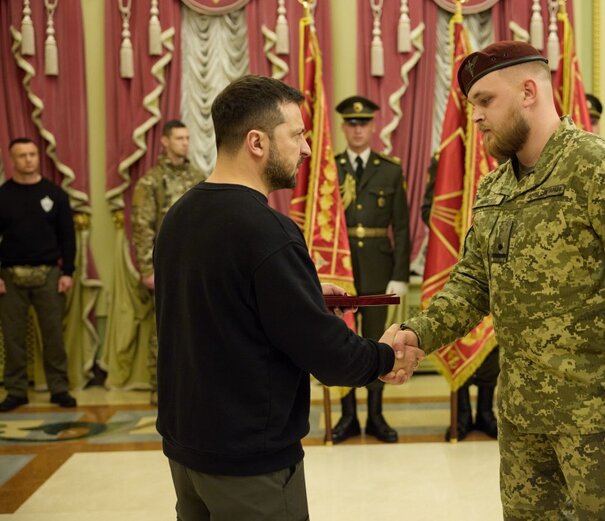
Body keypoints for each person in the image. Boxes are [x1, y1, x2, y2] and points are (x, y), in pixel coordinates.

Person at [394, 41, 605, 519]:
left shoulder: (603, 168)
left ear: (529, 90)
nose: (477, 117)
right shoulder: (495, 187)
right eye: (473, 106)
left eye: (486, 101)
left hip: (600, 421)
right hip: (524, 421)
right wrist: (416, 334)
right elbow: (472, 284)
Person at [153, 75, 423, 521]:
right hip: (248, 462)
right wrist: (383, 356)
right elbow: (329, 356)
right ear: (257, 142)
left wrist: (303, 294)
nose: (307, 149)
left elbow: (221, 303)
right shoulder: (267, 231)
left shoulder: (181, 214)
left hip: (186, 449)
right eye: (296, 135)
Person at [330, 95, 411, 444]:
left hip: (379, 266)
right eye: (351, 123)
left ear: (373, 126)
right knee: (342, 340)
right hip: (342, 269)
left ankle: (376, 414)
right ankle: (348, 415)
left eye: (363, 123)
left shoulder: (389, 169)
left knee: (381, 342)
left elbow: (403, 227)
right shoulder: (330, 170)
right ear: (344, 127)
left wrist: (400, 274)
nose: (357, 129)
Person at [422, 154, 499, 441]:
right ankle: (463, 412)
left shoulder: (509, 153)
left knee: (493, 344)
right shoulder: (447, 153)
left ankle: (486, 412)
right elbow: (431, 208)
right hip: (453, 256)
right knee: (456, 333)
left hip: (495, 258)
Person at [131, 119, 206, 405]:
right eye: (179, 138)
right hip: (166, 266)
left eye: (187, 138)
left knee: (198, 324)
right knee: (163, 329)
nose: (185, 143)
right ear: (164, 141)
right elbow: (142, 226)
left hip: (197, 265)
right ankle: (161, 387)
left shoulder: (198, 176)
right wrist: (147, 269)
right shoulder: (151, 181)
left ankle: (197, 384)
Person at [0, 138, 78, 412]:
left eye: (32, 154)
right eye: (22, 155)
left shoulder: (54, 194)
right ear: (12, 160)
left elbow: (68, 236)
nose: (28, 159)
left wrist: (67, 271)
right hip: (10, 277)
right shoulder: (3, 195)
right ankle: (16, 390)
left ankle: (59, 388)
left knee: (54, 335)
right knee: (13, 337)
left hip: (50, 275)